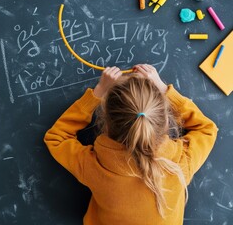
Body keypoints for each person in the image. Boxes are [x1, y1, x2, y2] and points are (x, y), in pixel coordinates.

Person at [44, 64, 218, 225]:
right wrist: (164, 90)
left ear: (107, 122)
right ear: (166, 120)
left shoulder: (95, 167)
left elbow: (56, 137)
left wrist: (97, 93)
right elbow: (207, 129)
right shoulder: (180, 164)